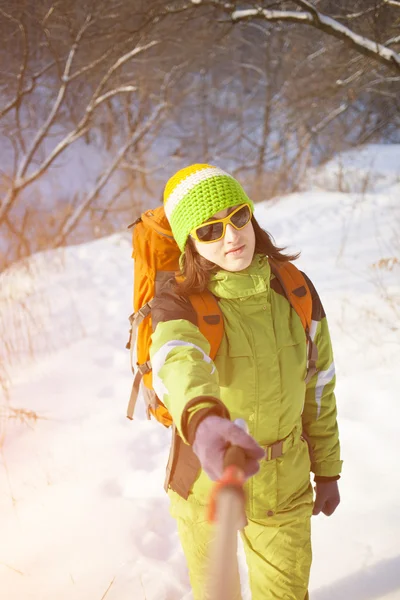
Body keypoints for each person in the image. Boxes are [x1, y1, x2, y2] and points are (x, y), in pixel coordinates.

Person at [149, 164, 342, 600]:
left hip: (284, 479)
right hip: (205, 482)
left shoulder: (295, 290)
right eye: (209, 230)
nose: (231, 236)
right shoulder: (177, 304)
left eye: (238, 217)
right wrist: (203, 420)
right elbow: (177, 360)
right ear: (190, 244)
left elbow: (319, 386)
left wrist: (327, 468)